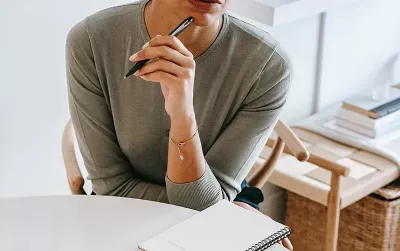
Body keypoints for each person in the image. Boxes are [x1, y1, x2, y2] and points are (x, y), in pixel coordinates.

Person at [66, 0, 292, 249]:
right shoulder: (91, 40)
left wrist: (183, 116)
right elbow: (112, 185)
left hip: (215, 209)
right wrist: (221, 211)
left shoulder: (268, 66)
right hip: (125, 210)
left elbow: (210, 205)